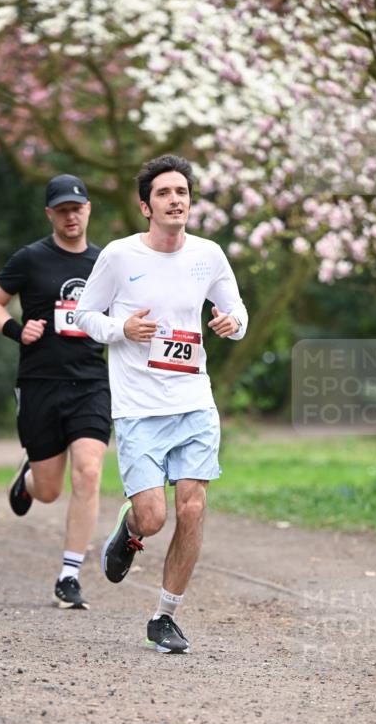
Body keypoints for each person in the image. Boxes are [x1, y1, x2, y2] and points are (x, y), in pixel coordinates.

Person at [75, 154, 248, 654]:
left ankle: (164, 616)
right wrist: (120, 329)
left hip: (194, 400)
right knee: (153, 516)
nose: (176, 200)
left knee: (191, 508)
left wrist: (231, 323)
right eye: (165, 193)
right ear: (145, 206)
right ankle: (128, 531)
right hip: (138, 407)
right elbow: (85, 315)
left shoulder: (209, 255)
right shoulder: (120, 256)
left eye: (183, 192)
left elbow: (236, 309)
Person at [0, 174, 110, 610]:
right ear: (50, 214)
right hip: (40, 383)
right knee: (50, 490)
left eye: (77, 207)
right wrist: (18, 329)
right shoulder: (31, 258)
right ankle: (30, 479)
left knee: (89, 471)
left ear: (88, 209)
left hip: (91, 381)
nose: (71, 215)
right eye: (62, 209)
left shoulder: (107, 263)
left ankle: (69, 574)